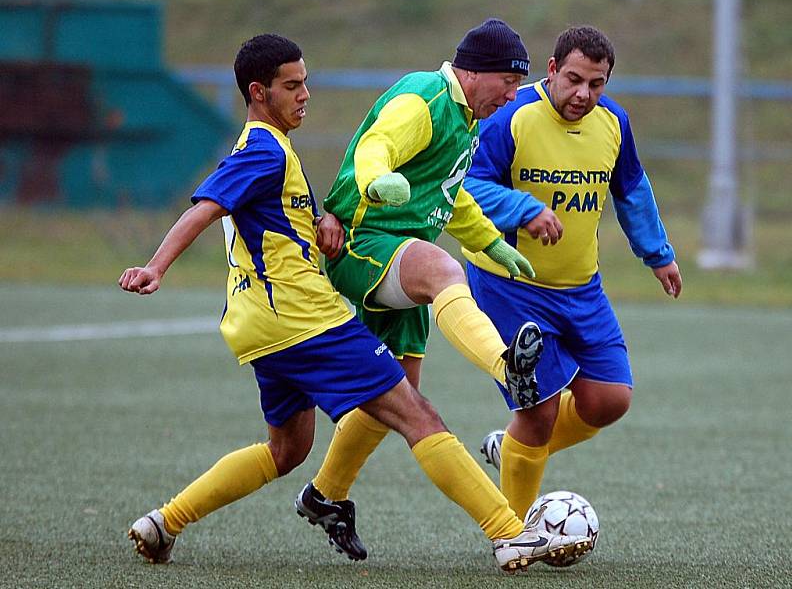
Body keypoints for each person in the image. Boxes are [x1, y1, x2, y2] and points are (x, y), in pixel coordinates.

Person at [119, 33, 590, 573]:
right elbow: (208, 205)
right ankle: (509, 531)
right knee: (419, 415)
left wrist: (321, 222)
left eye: (306, 83)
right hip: (306, 320)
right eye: (292, 86)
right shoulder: (265, 148)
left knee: (287, 449)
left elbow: (278, 220)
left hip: (263, 327)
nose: (305, 95)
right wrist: (156, 265)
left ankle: (164, 522)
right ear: (258, 92)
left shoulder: (279, 151)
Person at [294, 19, 550, 559]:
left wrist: (493, 243)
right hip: (365, 242)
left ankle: (325, 493)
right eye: (507, 81)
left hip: (400, 254)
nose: (511, 94)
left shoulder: (469, 118)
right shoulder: (424, 97)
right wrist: (376, 181)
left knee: (399, 395)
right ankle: (508, 368)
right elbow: (376, 145)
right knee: (443, 271)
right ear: (474, 71)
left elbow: (450, 195)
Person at [461, 25, 683, 521]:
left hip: (582, 289)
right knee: (538, 411)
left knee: (609, 400)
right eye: (576, 79)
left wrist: (658, 253)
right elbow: (467, 188)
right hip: (509, 287)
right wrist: (522, 208)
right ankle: (511, 531)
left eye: (597, 84)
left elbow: (631, 190)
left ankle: (513, 445)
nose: (584, 94)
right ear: (553, 69)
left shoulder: (614, 123)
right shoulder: (511, 118)